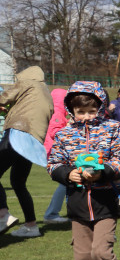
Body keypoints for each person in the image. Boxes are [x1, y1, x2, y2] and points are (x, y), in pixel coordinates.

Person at [47, 82, 120, 260]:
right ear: (71, 111)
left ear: (102, 107)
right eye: (80, 111)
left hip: (106, 202)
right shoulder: (64, 134)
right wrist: (67, 173)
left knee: (101, 252)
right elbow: (53, 163)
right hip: (77, 205)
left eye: (92, 111)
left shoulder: (113, 128)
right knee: (83, 258)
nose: (86, 116)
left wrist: (103, 171)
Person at [0, 65, 53, 237]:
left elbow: (5, 97)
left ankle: (3, 215)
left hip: (18, 133)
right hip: (32, 142)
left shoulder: (27, 83)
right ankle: (31, 225)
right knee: (18, 183)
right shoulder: (45, 91)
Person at [41, 88, 69, 224]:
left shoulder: (56, 112)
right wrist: (68, 127)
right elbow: (55, 132)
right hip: (55, 153)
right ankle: (51, 214)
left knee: (68, 183)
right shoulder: (57, 113)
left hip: (54, 152)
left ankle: (71, 212)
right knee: (66, 182)